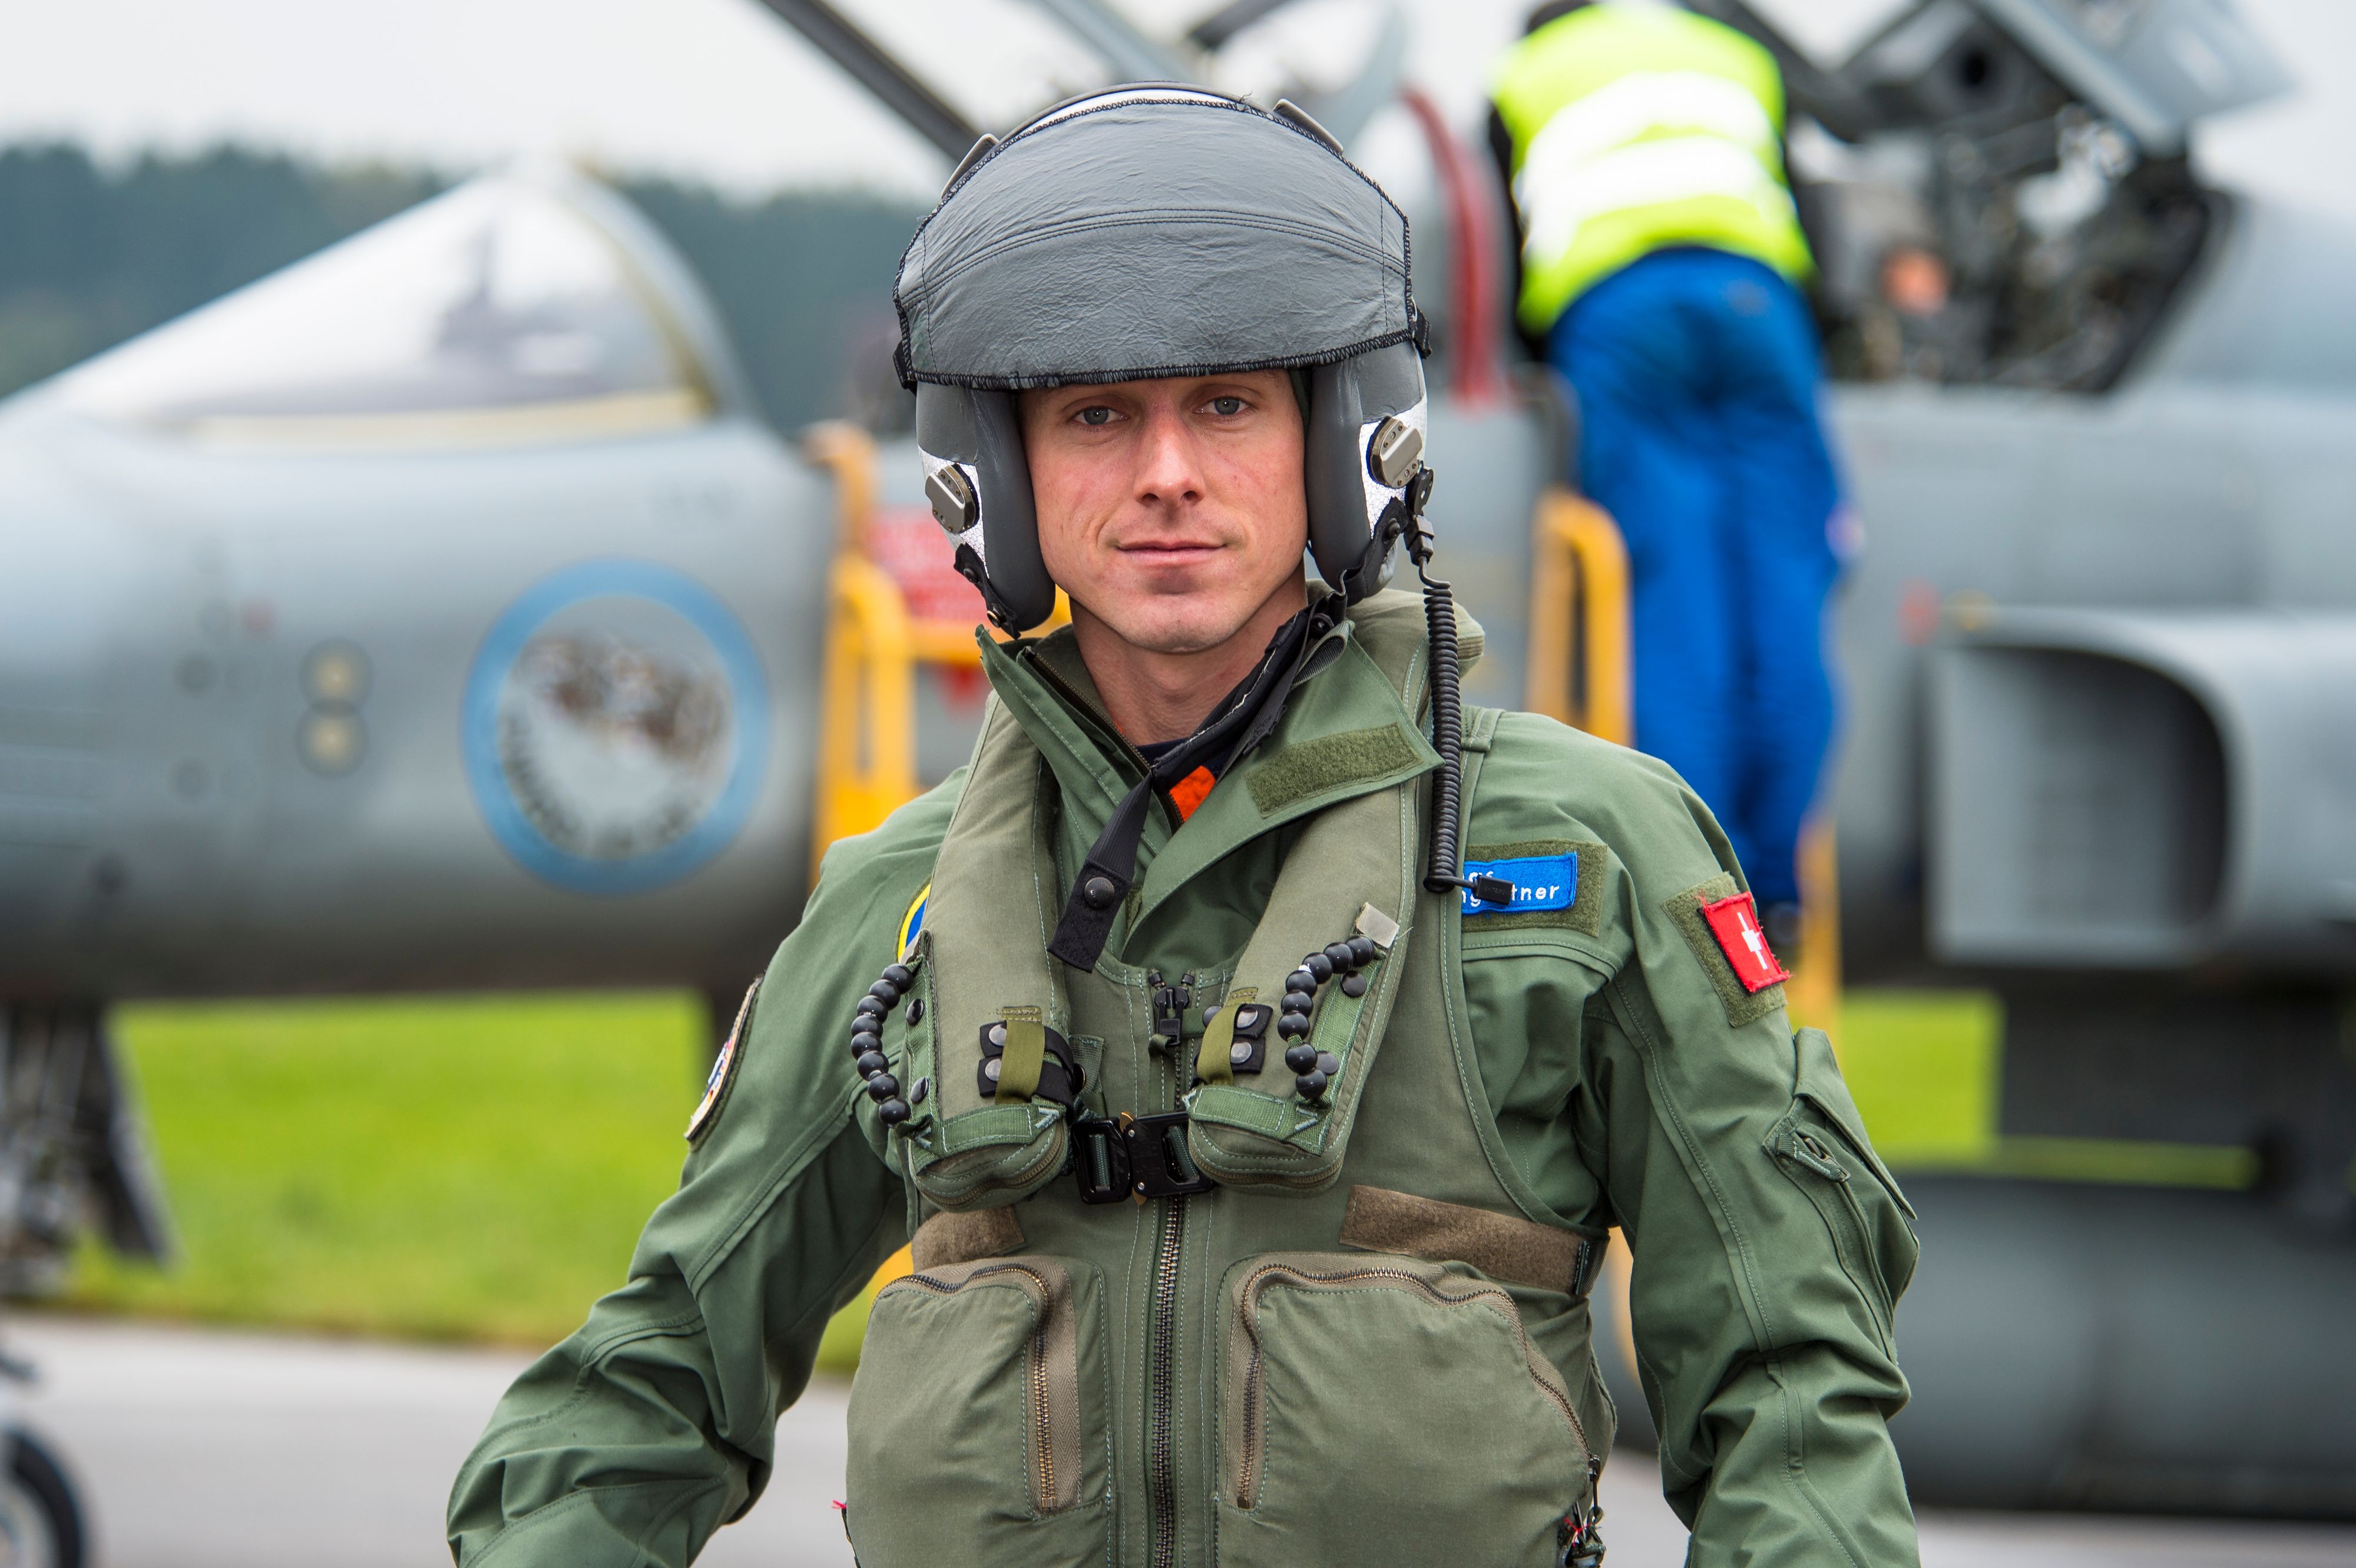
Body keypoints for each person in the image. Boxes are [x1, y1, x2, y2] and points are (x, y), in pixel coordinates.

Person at [447, 90, 1917, 1568]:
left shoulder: (1580, 861)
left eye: (1225, 404)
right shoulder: (905, 905)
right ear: (997, 468)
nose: (1165, 473)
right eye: (1095, 413)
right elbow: (656, 1374)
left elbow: (1785, 1389)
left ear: (1336, 439)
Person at [1490, 1, 1846, 953]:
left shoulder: (1530, 69)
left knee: (1666, 596)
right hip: (1755, 302)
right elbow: (1811, 221)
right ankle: (1779, 892)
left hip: (1620, 312)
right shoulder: (1735, 53)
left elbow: (1503, 241)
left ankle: (1701, 898)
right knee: (1788, 584)